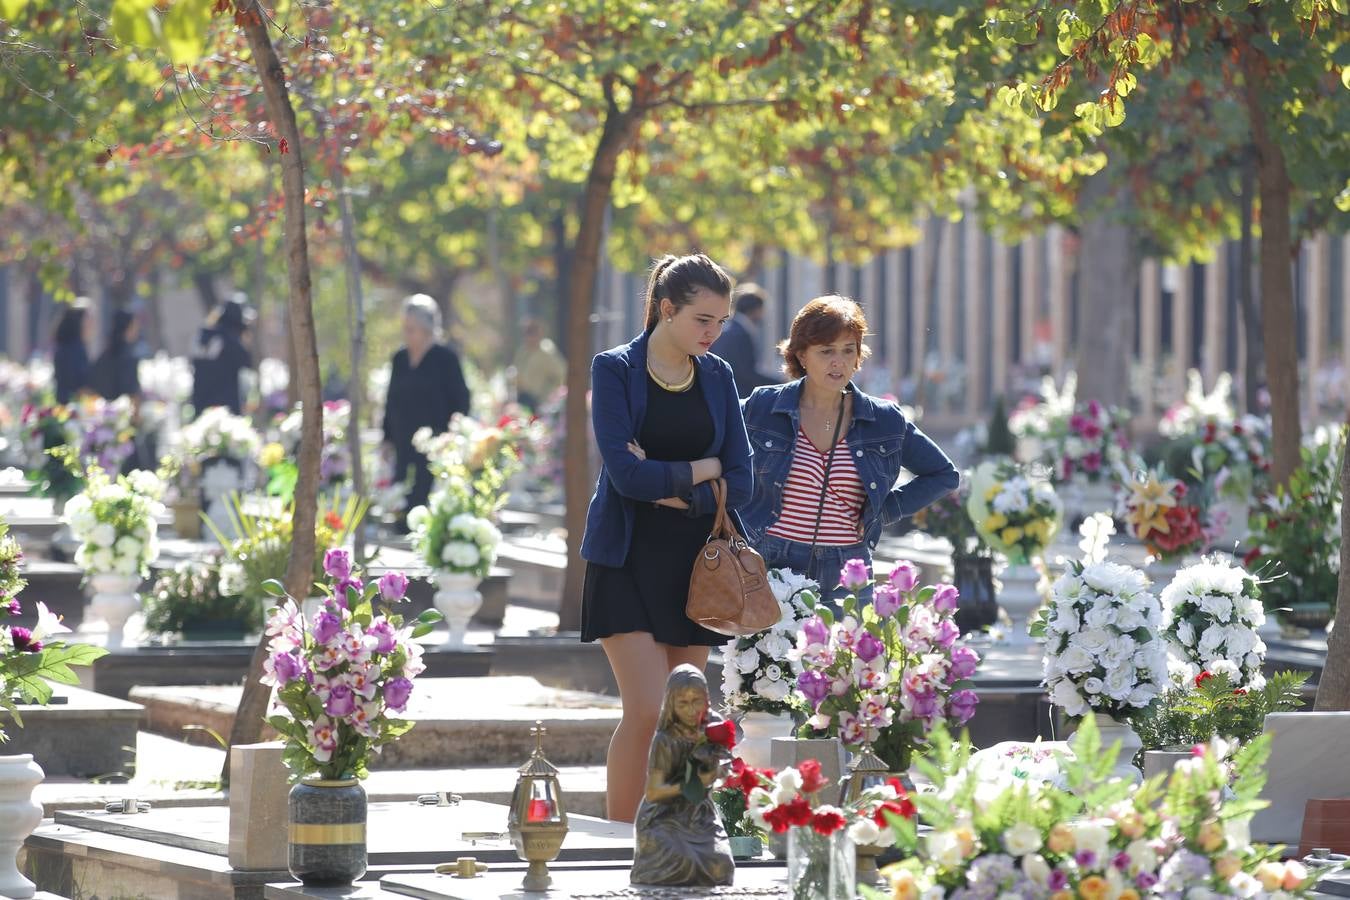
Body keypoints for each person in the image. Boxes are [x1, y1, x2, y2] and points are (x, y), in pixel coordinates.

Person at [580, 253, 751, 823]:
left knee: (685, 716)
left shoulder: (719, 376)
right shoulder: (615, 369)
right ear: (667, 308)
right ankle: (619, 842)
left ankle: (674, 841)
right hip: (625, 558)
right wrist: (705, 468)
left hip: (697, 566)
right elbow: (626, 478)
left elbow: (742, 479)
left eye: (721, 321)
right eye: (703, 319)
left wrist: (677, 490)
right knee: (648, 709)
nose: (713, 332)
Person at [739, 295, 957, 601]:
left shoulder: (884, 420)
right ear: (801, 355)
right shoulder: (762, 406)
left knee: (846, 635)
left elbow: (944, 474)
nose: (838, 361)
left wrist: (883, 512)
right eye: (826, 350)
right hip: (770, 561)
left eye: (848, 350)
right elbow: (715, 445)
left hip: (847, 569)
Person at [629, 665, 735, 887]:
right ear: (671, 704)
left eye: (697, 701)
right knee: (682, 859)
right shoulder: (665, 738)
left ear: (706, 699)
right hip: (664, 816)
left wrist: (720, 770)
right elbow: (653, 792)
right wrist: (692, 783)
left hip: (700, 814)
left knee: (720, 866)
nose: (691, 710)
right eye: (682, 704)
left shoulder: (713, 726)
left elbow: (724, 761)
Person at [381, 294, 471, 519]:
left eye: (411, 329)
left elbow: (461, 399)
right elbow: (391, 399)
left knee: (424, 503)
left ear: (426, 329)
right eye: (405, 328)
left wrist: (451, 435)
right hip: (403, 443)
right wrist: (387, 438)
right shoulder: (399, 358)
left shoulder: (445, 358)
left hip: (434, 445)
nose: (406, 334)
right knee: (401, 502)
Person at [190, 294, 255, 416]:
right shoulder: (230, 340)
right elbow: (248, 362)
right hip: (226, 408)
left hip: (201, 403)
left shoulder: (202, 335)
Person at [710, 282, 777, 398]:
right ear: (754, 309)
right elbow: (746, 372)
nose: (763, 315)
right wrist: (780, 383)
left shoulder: (730, 329)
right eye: (761, 310)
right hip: (737, 396)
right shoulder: (739, 334)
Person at [512, 318, 566, 412]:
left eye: (533, 333)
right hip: (521, 397)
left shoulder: (546, 351)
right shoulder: (523, 351)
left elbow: (562, 373)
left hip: (538, 401)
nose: (530, 337)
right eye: (528, 333)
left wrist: (551, 394)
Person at [90, 309, 143, 403]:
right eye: (135, 326)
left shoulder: (104, 355)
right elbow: (132, 392)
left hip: (101, 407)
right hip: (121, 409)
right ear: (128, 327)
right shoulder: (128, 357)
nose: (137, 330)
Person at [52, 298, 93, 404]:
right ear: (80, 321)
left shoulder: (68, 345)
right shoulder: (73, 349)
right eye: (89, 319)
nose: (93, 324)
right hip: (71, 406)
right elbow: (78, 384)